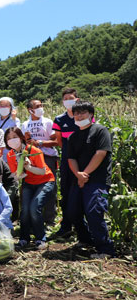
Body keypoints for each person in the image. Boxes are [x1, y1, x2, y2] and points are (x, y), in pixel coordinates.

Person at [67, 100, 115, 258]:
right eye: (77, 113)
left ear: (91, 114)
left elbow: (100, 154)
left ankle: (105, 249)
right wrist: (78, 175)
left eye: (83, 112)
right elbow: (71, 159)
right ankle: (86, 239)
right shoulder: (73, 137)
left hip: (98, 180)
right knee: (73, 212)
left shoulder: (100, 131)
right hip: (78, 179)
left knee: (94, 211)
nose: (79, 116)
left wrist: (84, 174)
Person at [4, 127, 55, 249]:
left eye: (15, 137)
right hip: (29, 183)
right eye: (9, 139)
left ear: (21, 137)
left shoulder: (34, 150)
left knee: (34, 207)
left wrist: (29, 167)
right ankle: (24, 238)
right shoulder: (11, 155)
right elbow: (16, 175)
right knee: (25, 210)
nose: (12, 140)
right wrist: (20, 173)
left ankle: (40, 238)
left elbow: (42, 171)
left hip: (45, 181)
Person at [22, 99, 59, 224]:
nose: (41, 108)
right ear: (30, 110)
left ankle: (50, 219)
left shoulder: (48, 122)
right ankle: (34, 219)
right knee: (33, 187)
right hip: (31, 158)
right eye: (37, 106)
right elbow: (23, 143)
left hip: (47, 157)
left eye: (41, 105)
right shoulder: (25, 124)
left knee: (50, 188)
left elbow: (56, 142)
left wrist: (40, 143)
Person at [51, 88, 82, 238]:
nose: (68, 100)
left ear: (77, 99)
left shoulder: (84, 116)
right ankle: (66, 226)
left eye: (71, 98)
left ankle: (82, 226)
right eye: (65, 99)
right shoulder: (59, 120)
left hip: (84, 160)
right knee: (66, 192)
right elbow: (59, 141)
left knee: (82, 192)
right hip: (66, 161)